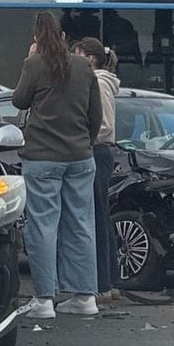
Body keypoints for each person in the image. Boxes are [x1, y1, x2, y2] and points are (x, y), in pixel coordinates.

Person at [12, 12, 103, 320]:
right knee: (81, 224)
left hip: (42, 158)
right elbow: (95, 114)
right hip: (80, 157)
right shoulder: (83, 66)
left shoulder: (35, 64)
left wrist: (30, 58)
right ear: (63, 37)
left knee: (43, 226)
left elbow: (19, 100)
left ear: (37, 39)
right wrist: (85, 143)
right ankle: (84, 297)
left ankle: (44, 300)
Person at [72, 37, 120, 304]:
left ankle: (102, 283)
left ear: (90, 59)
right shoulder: (101, 81)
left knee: (97, 220)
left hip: (96, 150)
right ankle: (109, 281)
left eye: (78, 55)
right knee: (101, 218)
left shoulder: (99, 83)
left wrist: (82, 137)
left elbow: (104, 125)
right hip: (99, 152)